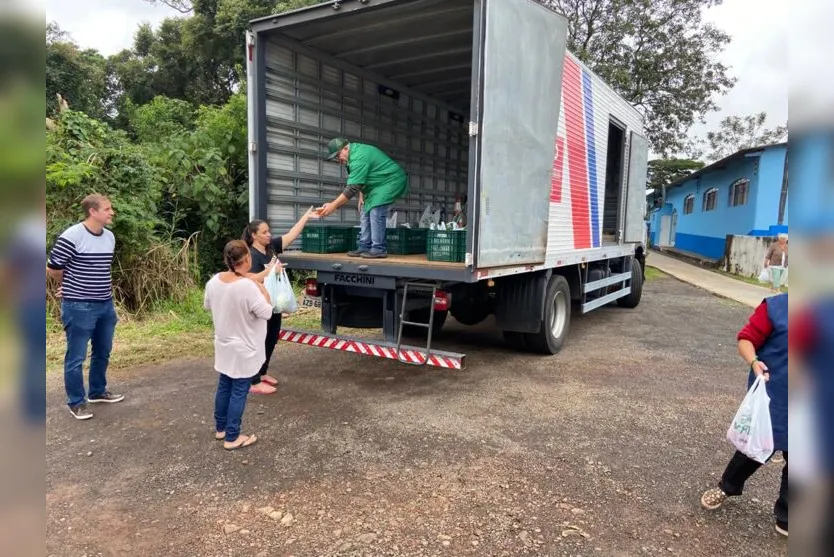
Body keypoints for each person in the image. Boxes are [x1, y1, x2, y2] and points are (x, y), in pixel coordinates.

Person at [701, 292, 788, 537]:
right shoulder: (776, 307)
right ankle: (727, 487)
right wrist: (754, 361)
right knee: (753, 450)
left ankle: (788, 515)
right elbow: (746, 339)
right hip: (775, 398)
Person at [46, 194, 123, 420]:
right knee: (76, 357)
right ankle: (76, 402)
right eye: (107, 209)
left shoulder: (109, 237)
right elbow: (53, 267)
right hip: (78, 306)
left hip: (105, 304)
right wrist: (67, 285)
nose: (111, 212)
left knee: (103, 350)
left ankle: (97, 391)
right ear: (93, 212)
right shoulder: (72, 236)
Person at [203, 240, 274, 450]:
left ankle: (221, 428)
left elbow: (208, 304)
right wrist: (264, 292)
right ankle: (233, 437)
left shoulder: (214, 281)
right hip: (245, 347)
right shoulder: (247, 286)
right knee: (239, 390)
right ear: (248, 259)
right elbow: (267, 312)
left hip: (224, 343)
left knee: (224, 385)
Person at [241, 207, 317, 395]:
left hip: (274, 304)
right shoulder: (249, 254)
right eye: (264, 232)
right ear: (254, 235)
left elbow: (291, 235)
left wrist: (306, 217)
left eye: (269, 231)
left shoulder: (271, 247)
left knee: (272, 338)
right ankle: (253, 380)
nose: (269, 235)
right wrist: (270, 272)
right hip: (259, 305)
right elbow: (247, 279)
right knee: (259, 340)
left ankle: (263, 371)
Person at [316, 137, 409, 259]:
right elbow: (362, 178)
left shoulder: (359, 157)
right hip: (376, 184)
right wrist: (362, 194)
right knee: (365, 211)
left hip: (391, 180)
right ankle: (364, 246)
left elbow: (352, 188)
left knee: (376, 210)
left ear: (345, 148)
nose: (338, 160)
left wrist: (333, 205)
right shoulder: (352, 156)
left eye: (338, 155)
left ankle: (378, 248)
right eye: (336, 158)